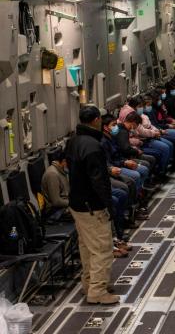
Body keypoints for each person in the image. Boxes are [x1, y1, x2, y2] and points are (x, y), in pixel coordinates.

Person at [65, 106, 119, 304]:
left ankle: (89, 283)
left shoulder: (73, 141)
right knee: (102, 249)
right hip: (91, 206)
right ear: (96, 120)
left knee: (86, 247)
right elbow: (98, 181)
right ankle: (97, 291)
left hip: (77, 204)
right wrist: (108, 206)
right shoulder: (94, 146)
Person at [41, 150, 69, 222]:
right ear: (63, 161)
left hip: (63, 206)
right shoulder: (52, 175)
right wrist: (73, 203)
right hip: (55, 211)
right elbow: (56, 201)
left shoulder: (61, 170)